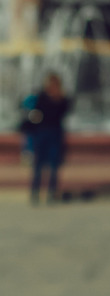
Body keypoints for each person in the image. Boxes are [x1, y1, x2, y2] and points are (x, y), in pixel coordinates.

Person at [24, 72, 70, 203]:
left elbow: (63, 113)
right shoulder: (41, 96)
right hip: (41, 133)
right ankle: (35, 192)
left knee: (54, 164)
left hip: (55, 133)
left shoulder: (62, 99)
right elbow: (32, 111)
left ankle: (51, 192)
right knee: (38, 164)